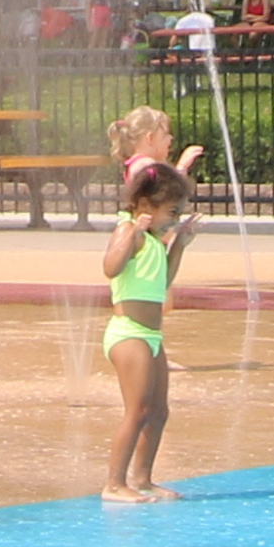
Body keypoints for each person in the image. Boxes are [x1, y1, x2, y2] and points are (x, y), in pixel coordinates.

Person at [97, 160, 200, 504]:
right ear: (145, 205)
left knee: (158, 411)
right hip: (128, 333)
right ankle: (114, 483)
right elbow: (111, 268)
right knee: (137, 411)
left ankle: (143, 479)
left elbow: (162, 282)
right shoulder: (129, 231)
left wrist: (180, 244)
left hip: (151, 336)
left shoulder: (155, 240)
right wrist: (133, 236)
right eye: (172, 211)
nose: (175, 218)